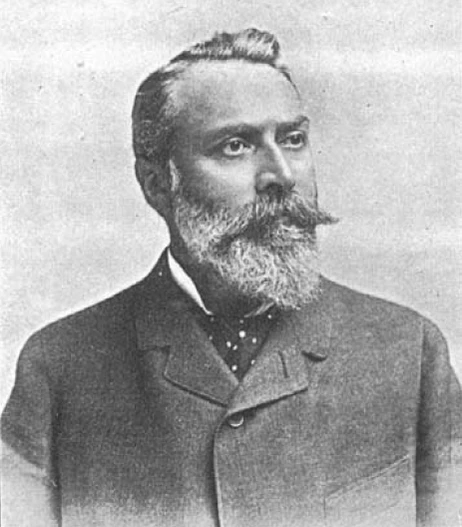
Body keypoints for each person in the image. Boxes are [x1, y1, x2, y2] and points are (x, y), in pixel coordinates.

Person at [2, 28, 461, 527]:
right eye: (236, 146)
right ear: (157, 184)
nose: (281, 175)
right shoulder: (60, 368)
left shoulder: (408, 351)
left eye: (293, 140)